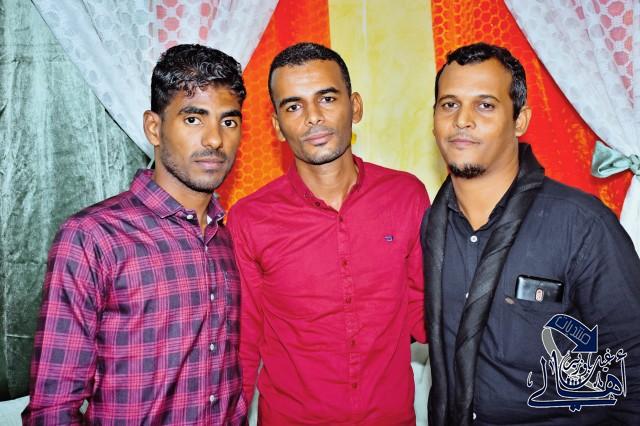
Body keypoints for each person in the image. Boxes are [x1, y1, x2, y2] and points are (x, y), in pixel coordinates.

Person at [22, 44, 248, 425]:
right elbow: (52, 410)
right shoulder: (93, 238)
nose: (214, 140)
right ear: (154, 128)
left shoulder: (227, 238)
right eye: (194, 119)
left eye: (228, 122)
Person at [421, 42, 640, 425]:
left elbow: (633, 363)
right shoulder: (432, 227)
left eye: (485, 105)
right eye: (449, 104)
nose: (462, 120)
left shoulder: (581, 225)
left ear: (520, 120)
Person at [227, 42, 429, 425]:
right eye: (293, 106)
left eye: (327, 98)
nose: (313, 117)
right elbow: (243, 344)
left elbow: (427, 312)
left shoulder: (406, 196)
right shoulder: (250, 219)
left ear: (355, 106)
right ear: (276, 126)